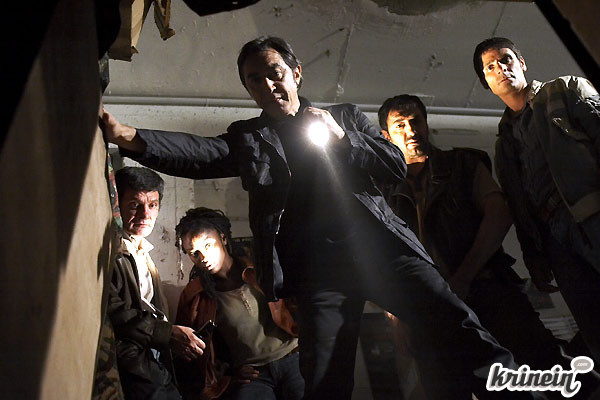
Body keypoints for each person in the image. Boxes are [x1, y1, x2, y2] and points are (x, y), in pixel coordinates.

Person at [102, 36, 540, 400]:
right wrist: (131, 138)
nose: (267, 84)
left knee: (458, 328)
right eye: (254, 80)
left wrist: (343, 137)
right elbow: (202, 153)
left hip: (384, 254)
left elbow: (393, 165)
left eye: (274, 72)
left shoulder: (345, 116)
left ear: (295, 73)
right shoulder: (251, 137)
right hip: (319, 277)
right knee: (325, 379)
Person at [377, 94, 600, 399]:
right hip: (432, 308)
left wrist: (464, 278)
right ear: (386, 136)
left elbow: (499, 215)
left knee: (546, 369)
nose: (411, 130)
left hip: (489, 289)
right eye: (400, 125)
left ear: (426, 124)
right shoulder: (385, 190)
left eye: (416, 121)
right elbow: (384, 256)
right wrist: (397, 315)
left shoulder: (462, 164)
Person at [473, 37, 600, 364]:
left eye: (506, 59)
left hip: (591, 214)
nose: (501, 69)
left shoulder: (564, 90)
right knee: (592, 324)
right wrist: (533, 254)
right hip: (553, 239)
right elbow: (519, 203)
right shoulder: (504, 142)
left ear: (522, 62)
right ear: (486, 83)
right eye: (490, 67)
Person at [173, 207, 304, 400]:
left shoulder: (259, 266)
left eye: (208, 245)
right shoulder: (196, 295)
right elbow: (193, 355)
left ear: (223, 238)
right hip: (254, 375)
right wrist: (229, 376)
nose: (203, 257)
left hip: (293, 357)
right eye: (194, 253)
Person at [108, 167, 206, 400]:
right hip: (132, 358)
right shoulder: (111, 251)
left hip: (153, 353)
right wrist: (166, 333)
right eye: (135, 205)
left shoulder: (141, 249)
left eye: (152, 205)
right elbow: (112, 310)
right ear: (118, 206)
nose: (145, 215)